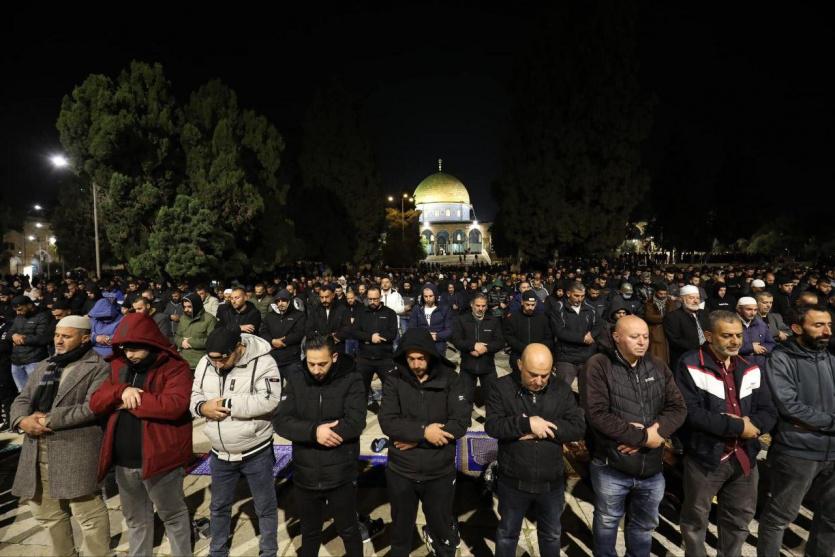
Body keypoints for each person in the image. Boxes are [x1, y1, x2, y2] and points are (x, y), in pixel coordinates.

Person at [674, 310, 777, 557]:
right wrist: (738, 427)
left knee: (739, 519)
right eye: (727, 335)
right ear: (709, 336)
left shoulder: (750, 366)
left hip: (744, 456)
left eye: (738, 335)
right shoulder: (689, 363)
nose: (735, 341)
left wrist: (754, 426)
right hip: (705, 456)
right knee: (695, 518)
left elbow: (768, 410)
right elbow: (689, 412)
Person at [582, 315, 687, 557]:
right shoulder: (598, 365)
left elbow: (678, 407)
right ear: (617, 337)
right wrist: (640, 437)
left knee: (643, 526)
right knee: (607, 522)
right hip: (611, 464)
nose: (642, 342)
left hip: (651, 466)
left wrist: (656, 432)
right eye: (634, 337)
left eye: (646, 336)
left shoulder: (657, 365)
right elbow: (597, 414)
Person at [90, 312, 193, 557]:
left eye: (134, 349)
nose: (129, 354)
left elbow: (174, 405)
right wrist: (121, 391)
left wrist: (128, 402)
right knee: (136, 520)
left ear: (150, 343)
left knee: (173, 516)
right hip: (124, 461)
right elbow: (96, 402)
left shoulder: (175, 368)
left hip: (161, 460)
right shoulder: (118, 366)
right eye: (125, 348)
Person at [9, 315, 111, 557]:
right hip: (37, 448)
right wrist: (22, 420)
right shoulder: (47, 364)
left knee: (87, 513)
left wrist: (48, 419)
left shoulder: (99, 367)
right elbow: (23, 398)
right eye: (56, 335)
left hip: (74, 448)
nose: (59, 340)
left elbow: (92, 407)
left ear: (84, 338)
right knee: (46, 512)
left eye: (66, 336)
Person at [486, 343, 586, 557]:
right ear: (520, 365)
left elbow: (577, 427)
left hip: (551, 483)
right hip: (513, 481)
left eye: (545, 375)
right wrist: (526, 424)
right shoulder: (500, 387)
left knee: (551, 535)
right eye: (533, 375)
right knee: (507, 534)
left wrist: (542, 429)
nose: (539, 381)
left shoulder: (561, 389)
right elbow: (493, 426)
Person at [379, 327, 471, 556]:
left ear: (430, 355)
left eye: (421, 358)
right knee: (400, 533)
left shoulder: (452, 379)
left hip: (439, 472)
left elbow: (459, 423)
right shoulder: (394, 379)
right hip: (402, 471)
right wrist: (423, 432)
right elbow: (388, 422)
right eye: (411, 359)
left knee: (442, 531)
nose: (416, 364)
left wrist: (416, 440)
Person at [274, 335, 367, 557]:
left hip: (340, 473)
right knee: (309, 532)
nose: (316, 370)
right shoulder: (296, 377)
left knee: (348, 529)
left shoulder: (351, 378)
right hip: (305, 473)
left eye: (322, 364)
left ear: (334, 357)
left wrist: (329, 433)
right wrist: (313, 432)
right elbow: (281, 421)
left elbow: (356, 422)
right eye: (311, 363)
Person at [192, 328, 281, 557]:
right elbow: (195, 395)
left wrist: (227, 404)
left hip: (256, 451)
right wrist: (202, 407)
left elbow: (269, 401)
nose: (218, 364)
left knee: (265, 507)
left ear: (238, 348)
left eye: (223, 358)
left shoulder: (264, 362)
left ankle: (268, 551)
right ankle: (217, 551)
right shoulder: (206, 363)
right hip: (220, 453)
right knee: (218, 507)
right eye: (213, 359)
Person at [758, 305, 835, 556]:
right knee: (780, 517)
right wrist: (831, 422)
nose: (827, 331)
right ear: (797, 328)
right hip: (797, 452)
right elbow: (789, 406)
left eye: (829, 325)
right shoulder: (781, 358)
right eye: (819, 325)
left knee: (831, 517)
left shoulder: (830, 359)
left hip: (832, 452)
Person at [452, 293, 506, 405]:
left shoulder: (493, 321)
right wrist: (472, 346)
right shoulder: (461, 320)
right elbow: (456, 340)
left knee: (492, 399)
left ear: (487, 306)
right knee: (464, 399)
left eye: (483, 306)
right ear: (472, 305)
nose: (480, 309)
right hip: (467, 367)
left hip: (488, 367)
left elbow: (500, 342)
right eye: (477, 305)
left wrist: (486, 348)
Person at [550, 282, 601, 387]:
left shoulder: (591, 308)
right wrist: (582, 338)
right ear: (568, 293)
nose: (580, 299)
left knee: (588, 390)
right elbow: (559, 331)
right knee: (562, 389)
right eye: (576, 295)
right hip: (566, 357)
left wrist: (592, 335)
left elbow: (599, 324)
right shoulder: (558, 308)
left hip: (587, 356)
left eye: (582, 296)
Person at [351, 286, 398, 398]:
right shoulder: (361, 313)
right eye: (370, 299)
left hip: (384, 358)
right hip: (364, 358)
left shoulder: (390, 313)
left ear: (380, 297)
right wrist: (370, 337)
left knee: (391, 390)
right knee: (361, 392)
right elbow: (355, 332)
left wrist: (379, 337)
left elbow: (392, 334)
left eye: (375, 299)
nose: (372, 302)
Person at [503, 291, 555, 374]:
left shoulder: (543, 318)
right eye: (527, 304)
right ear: (522, 302)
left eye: (532, 305)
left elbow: (549, 338)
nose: (530, 307)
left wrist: (537, 348)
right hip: (518, 356)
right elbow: (509, 336)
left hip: (538, 357)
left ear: (536, 303)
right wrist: (524, 348)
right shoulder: (513, 317)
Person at [260, 288, 306, 376]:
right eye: (278, 301)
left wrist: (283, 341)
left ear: (289, 301)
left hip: (292, 358)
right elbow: (263, 332)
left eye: (284, 300)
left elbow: (299, 333)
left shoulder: (299, 315)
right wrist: (272, 341)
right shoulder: (269, 316)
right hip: (273, 357)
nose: (280, 303)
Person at [9, 295, 51, 390]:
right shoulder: (18, 317)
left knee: (37, 391)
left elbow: (42, 338)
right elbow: (9, 333)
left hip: (34, 361)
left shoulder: (42, 316)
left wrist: (20, 339)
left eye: (20, 309)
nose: (18, 312)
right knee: (23, 393)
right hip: (16, 361)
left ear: (29, 305)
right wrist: (14, 335)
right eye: (16, 310)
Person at [663, 284, 710, 369]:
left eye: (698, 298)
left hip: (706, 356)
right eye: (691, 298)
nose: (696, 301)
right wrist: (698, 349)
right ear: (681, 299)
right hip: (684, 360)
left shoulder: (704, 313)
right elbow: (675, 341)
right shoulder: (672, 316)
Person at [407, 283, 454, 357]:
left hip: (439, 345)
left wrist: (437, 336)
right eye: (425, 296)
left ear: (435, 295)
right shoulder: (417, 309)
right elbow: (411, 328)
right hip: (422, 344)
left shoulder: (444, 309)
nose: (428, 299)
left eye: (430, 296)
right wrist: (423, 336)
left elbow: (449, 329)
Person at [175, 292, 218, 370]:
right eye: (184, 307)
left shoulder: (210, 319)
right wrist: (181, 342)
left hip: (200, 363)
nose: (186, 309)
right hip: (183, 361)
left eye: (189, 307)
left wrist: (191, 342)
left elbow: (212, 341)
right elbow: (177, 336)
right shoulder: (183, 318)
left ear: (196, 305)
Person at [306, 285, 352, 354]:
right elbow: (308, 330)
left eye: (327, 297)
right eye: (322, 297)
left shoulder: (342, 309)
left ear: (333, 295)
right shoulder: (315, 310)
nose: (324, 300)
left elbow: (347, 329)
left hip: (338, 349)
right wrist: (323, 338)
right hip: (319, 348)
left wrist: (336, 336)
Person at [736, 296, 775, 367]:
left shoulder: (761, 324)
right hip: (739, 366)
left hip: (761, 366)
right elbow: (726, 347)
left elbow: (771, 343)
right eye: (749, 309)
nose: (753, 313)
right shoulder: (730, 324)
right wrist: (751, 348)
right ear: (739, 309)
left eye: (755, 310)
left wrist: (760, 349)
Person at [644, 282, 677, 365]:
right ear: (656, 292)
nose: (663, 296)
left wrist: (666, 318)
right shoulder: (650, 302)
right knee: (657, 353)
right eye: (660, 294)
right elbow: (649, 317)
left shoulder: (670, 302)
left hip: (669, 330)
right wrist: (666, 318)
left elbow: (673, 314)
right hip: (655, 331)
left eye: (665, 294)